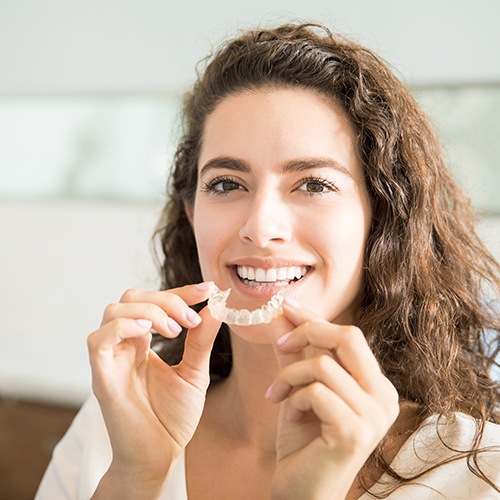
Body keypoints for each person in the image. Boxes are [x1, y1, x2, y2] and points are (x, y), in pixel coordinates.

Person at [36, 22, 500, 499]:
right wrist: (135, 479)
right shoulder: (112, 431)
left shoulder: (477, 473)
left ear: (382, 218)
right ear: (192, 213)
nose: (260, 226)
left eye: (314, 184)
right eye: (227, 184)